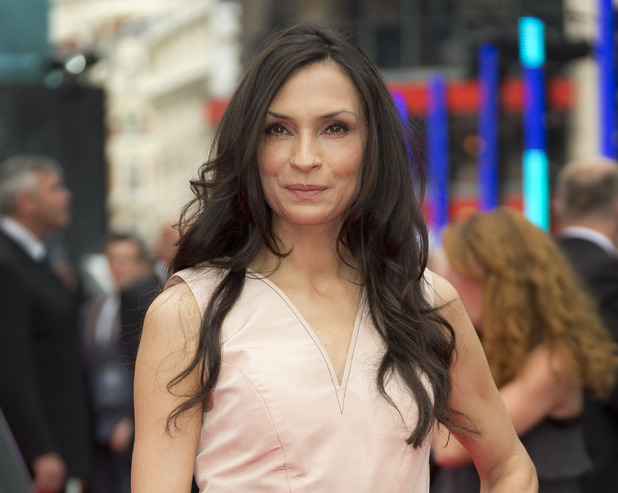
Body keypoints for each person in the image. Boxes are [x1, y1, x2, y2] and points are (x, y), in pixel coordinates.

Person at [131, 23, 536, 492]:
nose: (305, 157)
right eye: (278, 129)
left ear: (372, 145)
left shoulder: (424, 300)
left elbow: (510, 465)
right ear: (250, 146)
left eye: (334, 128)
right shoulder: (189, 312)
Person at [430, 207, 618, 493]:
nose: (447, 282)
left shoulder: (554, 360)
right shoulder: (482, 343)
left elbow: (452, 449)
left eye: (458, 271)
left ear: (498, 280)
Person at [0, 153, 91, 493]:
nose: (66, 195)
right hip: (39, 458)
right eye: (55, 188)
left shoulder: (33, 259)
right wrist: (40, 448)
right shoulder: (6, 263)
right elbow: (11, 366)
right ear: (26, 202)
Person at [553, 156, 618, 493]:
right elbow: (608, 374)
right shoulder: (609, 274)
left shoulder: (535, 266)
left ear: (559, 205)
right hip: (594, 461)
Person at [81, 232, 157, 493]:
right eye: (113, 260)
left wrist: (131, 419)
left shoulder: (149, 306)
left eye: (126, 260)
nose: (118, 267)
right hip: (98, 424)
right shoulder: (95, 308)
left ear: (141, 263)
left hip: (132, 421)